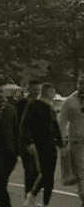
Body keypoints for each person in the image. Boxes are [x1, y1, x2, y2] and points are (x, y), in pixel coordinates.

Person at [21, 82, 62, 207]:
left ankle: (46, 203)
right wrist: (29, 142)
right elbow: (24, 125)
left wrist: (61, 143)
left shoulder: (51, 107)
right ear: (47, 92)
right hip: (39, 145)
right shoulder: (34, 105)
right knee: (44, 173)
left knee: (50, 177)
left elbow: (55, 127)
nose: (53, 95)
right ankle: (32, 195)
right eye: (52, 92)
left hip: (51, 145)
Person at [59, 75, 84, 207]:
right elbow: (62, 122)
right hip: (77, 143)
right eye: (82, 83)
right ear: (78, 85)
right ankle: (83, 196)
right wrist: (63, 139)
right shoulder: (70, 101)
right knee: (81, 173)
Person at [15, 80, 42, 200]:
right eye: (34, 89)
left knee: (38, 171)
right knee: (29, 169)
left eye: (38, 89)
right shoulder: (21, 104)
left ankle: (33, 194)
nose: (36, 92)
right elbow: (18, 124)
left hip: (40, 141)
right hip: (25, 142)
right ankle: (28, 195)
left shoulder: (42, 103)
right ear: (28, 90)